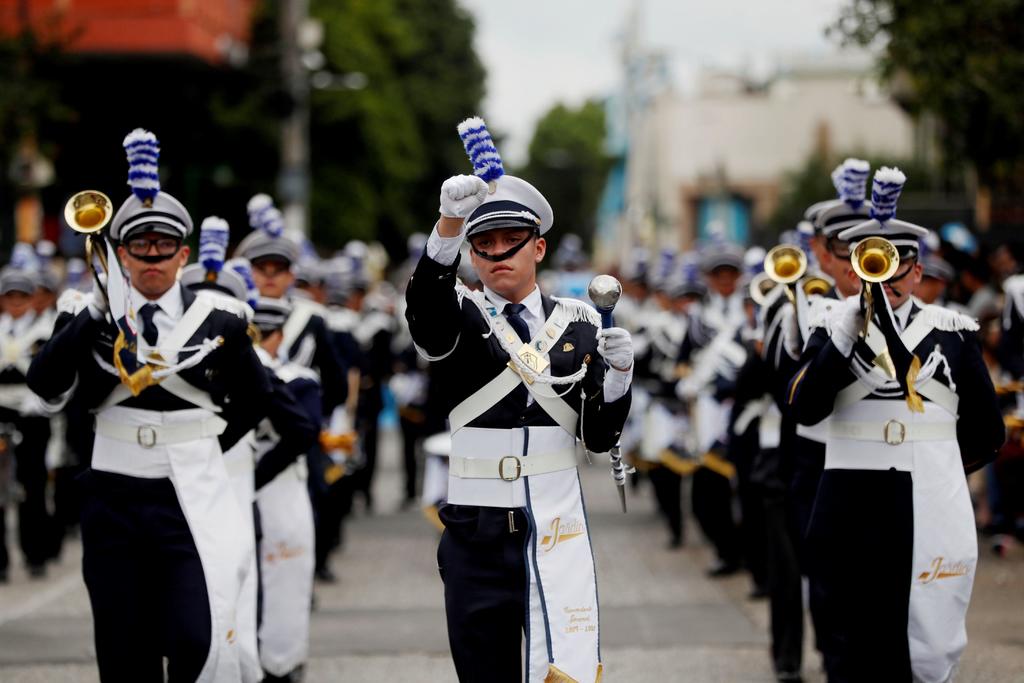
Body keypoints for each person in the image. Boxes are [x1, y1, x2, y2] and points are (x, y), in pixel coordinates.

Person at [27, 129, 273, 681]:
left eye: (165, 247)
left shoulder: (219, 318)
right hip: (113, 488)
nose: (153, 259)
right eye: (140, 247)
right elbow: (44, 385)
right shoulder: (85, 312)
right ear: (121, 253)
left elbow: (257, 399)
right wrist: (92, 313)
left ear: (183, 254)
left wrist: (206, 445)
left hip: (192, 488)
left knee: (195, 634)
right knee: (123, 645)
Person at [406, 117, 632, 682]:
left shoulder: (579, 323)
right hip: (475, 532)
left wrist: (621, 377)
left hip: (555, 525)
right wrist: (447, 229)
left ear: (540, 246)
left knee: (565, 672)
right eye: (484, 244)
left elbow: (598, 436)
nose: (498, 254)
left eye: (512, 242)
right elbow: (424, 317)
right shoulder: (458, 313)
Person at [788, 168, 1004, 682]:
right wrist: (843, 337)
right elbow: (805, 408)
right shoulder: (830, 326)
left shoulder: (952, 331)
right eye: (871, 263)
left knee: (925, 640)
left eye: (897, 263)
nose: (885, 276)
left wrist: (941, 466)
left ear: (915, 270)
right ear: (857, 269)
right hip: (848, 498)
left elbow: (987, 430)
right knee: (849, 637)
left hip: (927, 495)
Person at [0, 264, 57, 579]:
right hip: (2, 409)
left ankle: (35, 553)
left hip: (33, 412)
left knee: (32, 485)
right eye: (10, 296)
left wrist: (40, 399)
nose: (17, 301)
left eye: (23, 295)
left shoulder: (47, 329)